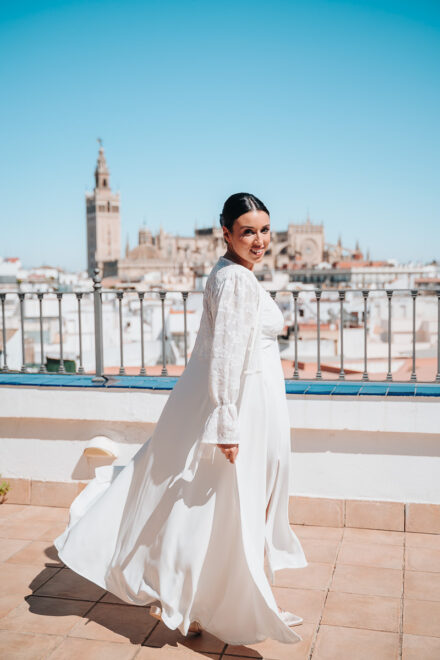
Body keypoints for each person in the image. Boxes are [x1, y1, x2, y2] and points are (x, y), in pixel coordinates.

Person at [54, 192, 307, 646]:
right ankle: (198, 599)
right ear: (225, 232)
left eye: (265, 230)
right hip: (241, 413)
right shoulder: (235, 281)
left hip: (243, 409)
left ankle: (194, 599)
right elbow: (225, 357)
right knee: (229, 511)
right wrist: (227, 425)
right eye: (248, 231)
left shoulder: (230, 273)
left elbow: (211, 349)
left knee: (216, 511)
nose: (260, 240)